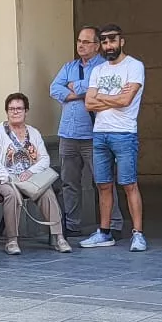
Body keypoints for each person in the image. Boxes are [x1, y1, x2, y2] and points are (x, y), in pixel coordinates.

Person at [80, 24, 146, 251]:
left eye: (112, 40)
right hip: (100, 133)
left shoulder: (134, 66)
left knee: (129, 184)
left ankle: (138, 233)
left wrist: (104, 98)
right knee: (103, 185)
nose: (109, 45)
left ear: (122, 41)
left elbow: (126, 101)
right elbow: (89, 103)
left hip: (125, 132)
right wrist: (115, 97)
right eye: (105, 41)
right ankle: (104, 231)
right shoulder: (98, 70)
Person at [0, 93, 68, 254]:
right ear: (7, 111)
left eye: (19, 108)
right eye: (11, 109)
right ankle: (12, 240)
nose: (15, 112)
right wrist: (6, 177)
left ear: (26, 111)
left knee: (47, 192)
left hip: (29, 179)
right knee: (11, 194)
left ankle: (59, 237)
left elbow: (44, 159)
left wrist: (30, 172)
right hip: (3, 180)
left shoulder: (33, 133)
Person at [51, 26, 103, 237]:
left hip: (92, 134)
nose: (81, 45)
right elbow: (54, 89)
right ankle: (73, 224)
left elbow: (97, 88)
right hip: (68, 133)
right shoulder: (69, 66)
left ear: (97, 46)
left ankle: (113, 224)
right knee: (69, 182)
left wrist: (75, 87)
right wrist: (80, 92)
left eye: (86, 42)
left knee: (103, 181)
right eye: (79, 41)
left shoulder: (103, 67)